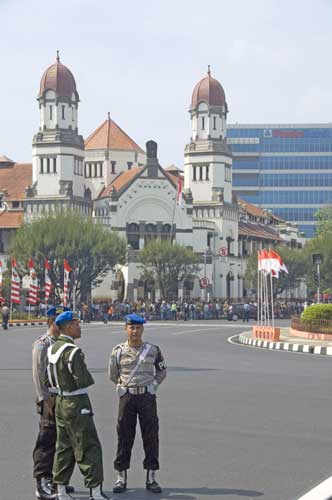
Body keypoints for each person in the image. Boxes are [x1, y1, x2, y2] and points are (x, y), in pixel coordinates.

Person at [47, 310, 109, 500]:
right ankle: (95, 491)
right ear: (68, 327)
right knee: (88, 445)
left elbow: (46, 378)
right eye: (76, 324)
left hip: (60, 401)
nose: (79, 327)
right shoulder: (72, 351)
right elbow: (83, 380)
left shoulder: (52, 348)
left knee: (63, 446)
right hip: (76, 401)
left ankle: (61, 490)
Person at [109, 313, 167, 494]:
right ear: (126, 329)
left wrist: (154, 385)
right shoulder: (118, 351)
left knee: (150, 436)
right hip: (127, 398)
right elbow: (113, 374)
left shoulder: (153, 350)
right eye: (131, 327)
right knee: (124, 436)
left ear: (142, 329)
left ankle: (151, 477)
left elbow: (162, 371)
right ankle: (121, 476)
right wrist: (123, 385)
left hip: (146, 398)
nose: (134, 331)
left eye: (138, 327)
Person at [32, 306, 74, 500]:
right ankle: (41, 482)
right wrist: (45, 398)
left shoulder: (63, 343)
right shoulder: (43, 344)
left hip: (65, 398)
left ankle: (57, 480)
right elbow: (39, 374)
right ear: (51, 322)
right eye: (59, 322)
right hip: (51, 399)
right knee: (47, 441)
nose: (63, 325)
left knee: (64, 441)